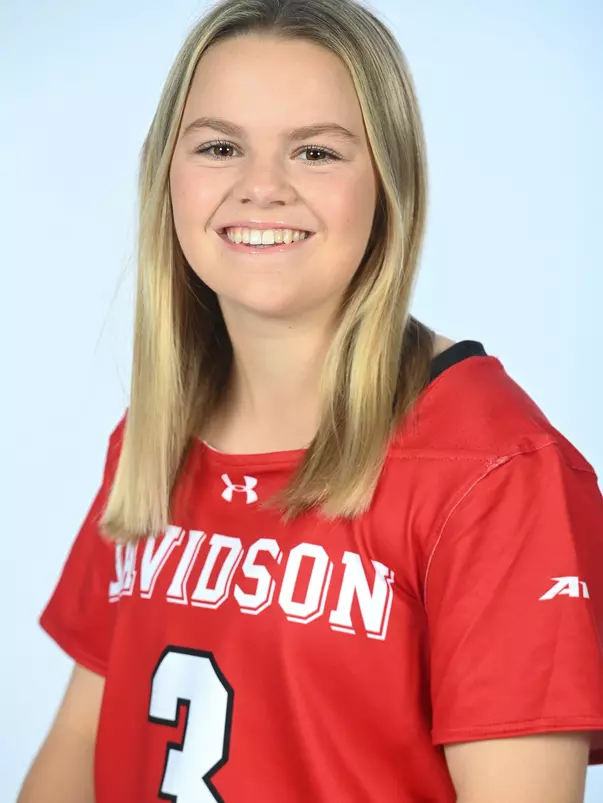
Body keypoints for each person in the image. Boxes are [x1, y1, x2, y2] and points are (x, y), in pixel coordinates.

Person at [17, 0, 603, 801]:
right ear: (163, 172)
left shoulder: (494, 472)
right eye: (219, 147)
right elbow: (79, 743)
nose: (261, 188)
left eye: (316, 152)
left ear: (390, 181)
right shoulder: (154, 437)